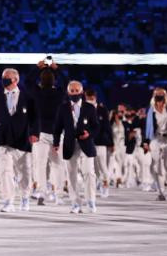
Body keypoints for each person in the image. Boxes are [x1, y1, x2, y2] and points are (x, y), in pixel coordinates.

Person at [0, 67, 40, 213]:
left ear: (16, 80)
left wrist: (35, 133)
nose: (4, 80)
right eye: (3, 77)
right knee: (5, 171)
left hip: (22, 139)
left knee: (25, 171)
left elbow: (35, 118)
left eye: (7, 78)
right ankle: (8, 200)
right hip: (2, 139)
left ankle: (25, 197)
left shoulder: (28, 97)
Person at [52, 80, 98, 214]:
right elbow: (57, 127)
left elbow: (96, 127)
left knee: (89, 172)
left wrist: (89, 134)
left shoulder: (90, 108)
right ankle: (75, 203)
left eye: (77, 90)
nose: (74, 93)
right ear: (68, 92)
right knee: (71, 175)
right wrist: (55, 143)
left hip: (86, 144)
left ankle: (91, 201)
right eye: (72, 91)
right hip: (69, 144)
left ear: (81, 92)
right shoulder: (63, 108)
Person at [28, 60, 65, 205]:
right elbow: (67, 83)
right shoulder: (59, 93)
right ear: (54, 80)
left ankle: (42, 192)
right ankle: (58, 195)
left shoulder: (37, 92)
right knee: (58, 165)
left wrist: (37, 68)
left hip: (41, 132)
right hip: (56, 132)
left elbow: (28, 81)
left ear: (40, 80)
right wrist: (58, 70)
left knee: (40, 164)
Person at [143, 88, 167, 201]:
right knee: (156, 166)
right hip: (155, 139)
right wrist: (146, 141)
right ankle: (160, 192)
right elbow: (147, 126)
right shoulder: (150, 109)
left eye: (161, 94)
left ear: (165, 96)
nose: (159, 96)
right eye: (156, 94)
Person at [85, 89, 113, 198]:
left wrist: (111, 142)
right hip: (89, 141)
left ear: (95, 97)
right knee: (94, 167)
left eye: (91, 98)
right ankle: (98, 184)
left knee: (102, 165)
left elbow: (107, 126)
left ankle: (105, 185)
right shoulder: (84, 108)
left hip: (101, 141)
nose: (90, 100)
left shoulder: (102, 109)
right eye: (88, 98)